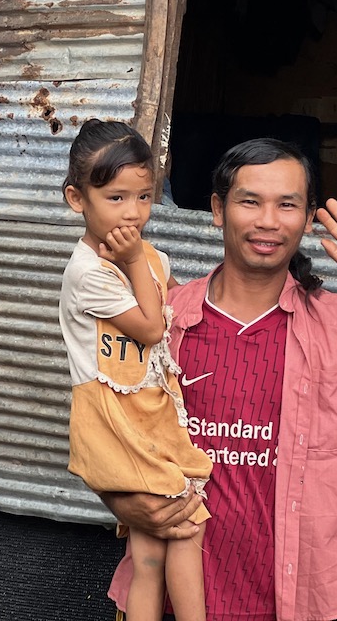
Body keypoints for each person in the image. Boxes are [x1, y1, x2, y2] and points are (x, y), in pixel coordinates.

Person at [102, 138, 337, 621]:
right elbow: (105, 423)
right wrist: (119, 501)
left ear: (307, 219)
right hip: (167, 596)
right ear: (218, 210)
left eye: (287, 205)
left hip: (296, 596)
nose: (268, 221)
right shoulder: (162, 319)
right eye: (250, 201)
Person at [59, 119, 213, 621]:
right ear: (77, 199)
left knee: (149, 549)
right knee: (186, 526)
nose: (133, 212)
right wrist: (132, 263)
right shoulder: (90, 272)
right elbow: (150, 327)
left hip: (148, 410)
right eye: (116, 198)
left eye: (144, 197)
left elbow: (177, 302)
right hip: (115, 417)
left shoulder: (147, 256)